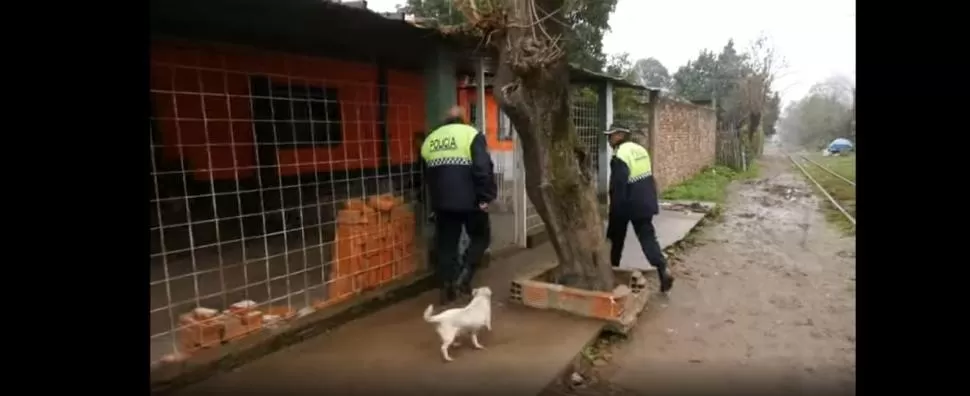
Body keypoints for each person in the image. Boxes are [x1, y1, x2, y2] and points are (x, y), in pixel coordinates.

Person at [420, 106, 496, 304]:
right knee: (481, 237)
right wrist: (485, 197)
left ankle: (447, 289)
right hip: (471, 202)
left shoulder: (431, 139)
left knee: (446, 245)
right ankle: (464, 276)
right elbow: (482, 168)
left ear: (446, 120)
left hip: (442, 204)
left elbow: (423, 176)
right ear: (464, 119)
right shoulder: (471, 134)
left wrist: (431, 205)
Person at [604, 124, 675, 293]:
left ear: (621, 135)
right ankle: (662, 268)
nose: (609, 139)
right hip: (645, 201)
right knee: (647, 238)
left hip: (626, 202)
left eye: (611, 135)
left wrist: (614, 211)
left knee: (615, 240)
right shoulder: (640, 149)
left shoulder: (619, 154)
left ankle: (610, 275)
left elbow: (618, 186)